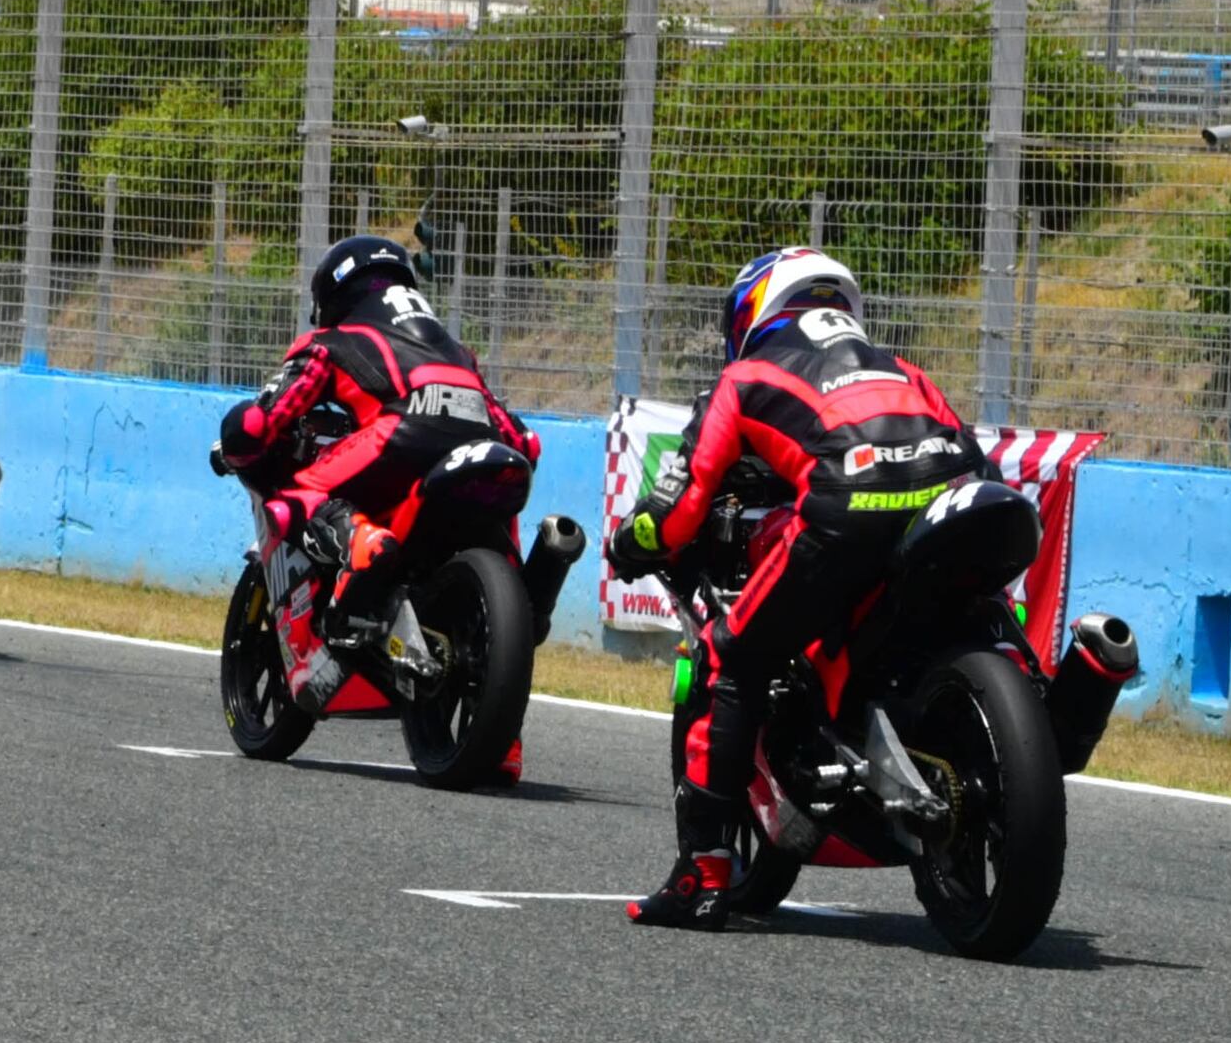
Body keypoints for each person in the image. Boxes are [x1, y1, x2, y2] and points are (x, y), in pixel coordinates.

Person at [610, 246, 1000, 927]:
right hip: (956, 499)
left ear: (753, 310)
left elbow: (678, 510)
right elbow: (978, 457)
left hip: (844, 512)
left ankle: (701, 876)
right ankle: (1070, 685)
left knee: (733, 659)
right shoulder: (903, 366)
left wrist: (630, 540)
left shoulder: (746, 373)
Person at [211, 232, 535, 665]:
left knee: (295, 493)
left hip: (402, 435)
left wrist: (237, 440)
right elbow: (523, 442)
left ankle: (363, 544)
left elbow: (262, 421)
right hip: (480, 448)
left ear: (334, 294)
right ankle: (528, 589)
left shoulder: (330, 342)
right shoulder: (458, 353)